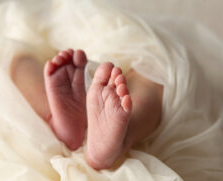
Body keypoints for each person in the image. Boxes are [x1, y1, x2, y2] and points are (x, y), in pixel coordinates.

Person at [11, 49, 163, 170]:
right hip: (133, 51)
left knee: (20, 61)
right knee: (151, 75)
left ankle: (51, 115)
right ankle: (124, 134)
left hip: (65, 46)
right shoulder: (145, 43)